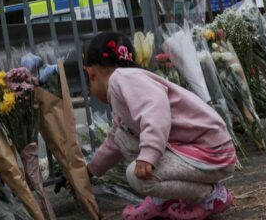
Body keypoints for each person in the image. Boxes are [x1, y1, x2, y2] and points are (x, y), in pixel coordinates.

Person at [84, 31, 237, 220]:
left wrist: (149, 155)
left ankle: (210, 196)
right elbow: (114, 142)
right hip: (201, 150)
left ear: (90, 73)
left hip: (211, 153)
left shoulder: (122, 79)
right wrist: (91, 170)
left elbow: (156, 109)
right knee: (122, 136)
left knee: (137, 177)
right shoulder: (127, 82)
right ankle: (163, 199)